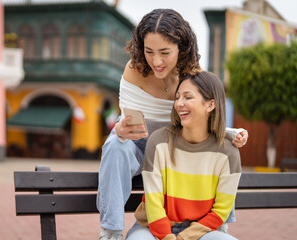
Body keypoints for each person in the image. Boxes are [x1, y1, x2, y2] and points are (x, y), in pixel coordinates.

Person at [97, 9, 248, 240]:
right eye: (149, 52)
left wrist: (230, 134)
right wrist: (120, 131)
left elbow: (201, 121)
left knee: (225, 150)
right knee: (116, 145)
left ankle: (219, 226)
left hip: (173, 148)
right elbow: (126, 120)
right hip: (137, 145)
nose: (156, 61)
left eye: (165, 53)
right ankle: (111, 232)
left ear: (182, 48)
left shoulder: (193, 75)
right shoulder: (134, 69)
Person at [126, 71, 241, 240]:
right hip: (151, 227)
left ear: (210, 105)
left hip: (201, 231)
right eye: (177, 97)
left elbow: (222, 210)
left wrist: (184, 237)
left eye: (188, 97)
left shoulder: (228, 153)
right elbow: (153, 201)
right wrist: (167, 237)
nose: (179, 103)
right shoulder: (158, 142)